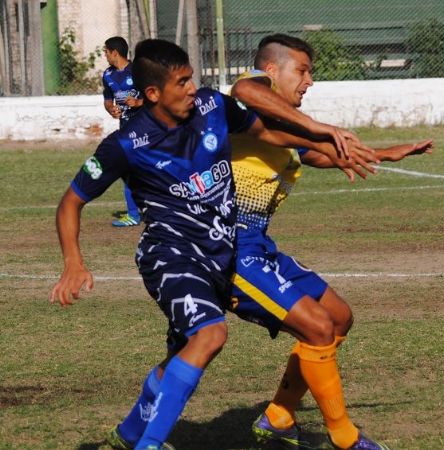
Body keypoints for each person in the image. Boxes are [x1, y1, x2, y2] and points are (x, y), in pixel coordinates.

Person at [49, 39, 360, 450]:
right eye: (182, 82)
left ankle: (129, 434)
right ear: (154, 94)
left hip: (220, 256)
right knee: (210, 335)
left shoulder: (212, 106)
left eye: (191, 77)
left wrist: (324, 139)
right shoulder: (126, 145)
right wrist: (73, 261)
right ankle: (150, 445)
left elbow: (264, 129)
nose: (193, 88)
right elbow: (71, 202)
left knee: (182, 355)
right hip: (170, 255)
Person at [228, 34, 432, 450]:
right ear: (272, 70)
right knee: (318, 328)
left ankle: (279, 417)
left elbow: (321, 153)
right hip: (228, 248)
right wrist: (321, 128)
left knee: (338, 317)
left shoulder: (280, 128)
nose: (309, 81)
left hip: (258, 245)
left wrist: (384, 153)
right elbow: (244, 89)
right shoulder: (247, 98)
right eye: (302, 71)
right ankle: (345, 438)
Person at [102, 37, 144, 227]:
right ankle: (134, 214)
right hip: (125, 128)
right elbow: (108, 99)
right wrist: (111, 109)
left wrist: (138, 103)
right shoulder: (108, 75)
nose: (105, 55)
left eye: (106, 52)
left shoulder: (138, 71)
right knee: (127, 169)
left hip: (145, 128)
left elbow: (157, 96)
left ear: (115, 53)